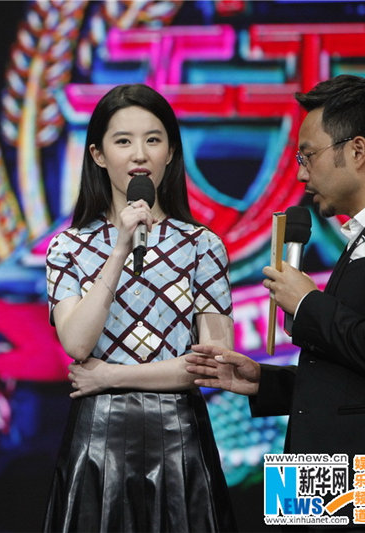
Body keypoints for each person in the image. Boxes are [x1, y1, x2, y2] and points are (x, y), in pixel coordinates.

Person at [187, 75, 365, 529]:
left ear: (357, 151)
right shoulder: (359, 239)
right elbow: (348, 376)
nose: (299, 174)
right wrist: (264, 382)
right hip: (319, 473)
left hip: (360, 477)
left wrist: (308, 302)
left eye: (307, 156)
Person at [43, 83, 236, 532]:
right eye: (123, 141)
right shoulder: (67, 247)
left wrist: (109, 376)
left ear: (171, 152)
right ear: (97, 154)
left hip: (179, 437)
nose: (139, 154)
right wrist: (119, 249)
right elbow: (78, 343)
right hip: (97, 440)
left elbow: (213, 363)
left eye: (153, 139)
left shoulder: (203, 245)